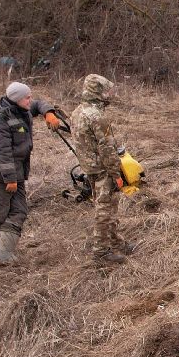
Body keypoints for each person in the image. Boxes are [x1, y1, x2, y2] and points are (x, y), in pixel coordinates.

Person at [0, 80, 63, 266]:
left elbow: (38, 104)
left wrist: (48, 113)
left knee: (19, 210)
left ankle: (3, 253)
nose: (30, 100)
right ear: (17, 99)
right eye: (27, 97)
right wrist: (10, 179)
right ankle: (0, 254)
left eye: (30, 96)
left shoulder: (22, 108)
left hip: (16, 172)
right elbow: (1, 151)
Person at [70, 73, 132, 266]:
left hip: (90, 167)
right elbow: (107, 148)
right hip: (103, 169)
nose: (110, 94)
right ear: (98, 92)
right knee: (104, 210)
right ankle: (101, 253)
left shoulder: (77, 112)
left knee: (108, 206)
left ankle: (116, 243)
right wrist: (117, 174)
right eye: (107, 90)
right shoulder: (97, 117)